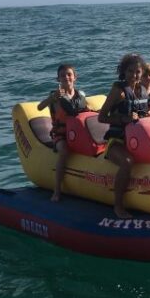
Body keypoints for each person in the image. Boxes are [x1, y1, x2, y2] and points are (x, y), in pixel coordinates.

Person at [98, 53, 150, 219]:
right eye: (130, 71)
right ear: (124, 72)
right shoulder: (118, 91)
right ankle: (118, 206)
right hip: (117, 142)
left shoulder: (143, 91)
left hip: (137, 142)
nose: (134, 75)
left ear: (142, 72)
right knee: (127, 162)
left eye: (137, 72)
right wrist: (123, 118)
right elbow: (102, 117)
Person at [37, 64, 93, 202]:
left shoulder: (80, 95)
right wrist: (52, 98)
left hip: (77, 133)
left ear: (75, 77)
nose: (66, 77)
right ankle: (57, 190)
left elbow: (86, 112)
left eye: (69, 74)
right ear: (58, 79)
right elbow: (40, 107)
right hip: (60, 134)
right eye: (62, 75)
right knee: (64, 150)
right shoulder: (55, 96)